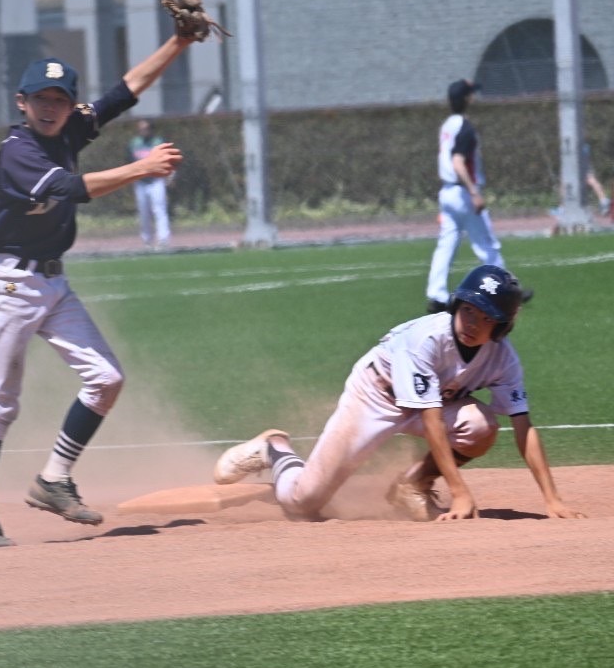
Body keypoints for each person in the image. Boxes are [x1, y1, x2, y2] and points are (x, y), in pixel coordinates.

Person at [0, 35, 193, 548]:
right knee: (0, 405)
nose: (50, 108)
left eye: (59, 100)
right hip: (10, 286)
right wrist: (141, 169)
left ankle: (53, 480)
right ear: (22, 103)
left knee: (106, 379)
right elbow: (70, 189)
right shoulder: (18, 149)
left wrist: (180, 41)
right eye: (40, 99)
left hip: (51, 282)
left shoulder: (68, 130)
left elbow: (125, 91)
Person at [213, 265, 585, 523]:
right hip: (374, 396)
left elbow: (523, 426)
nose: (473, 323)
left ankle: (412, 484)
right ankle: (274, 449)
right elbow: (431, 418)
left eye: (486, 318)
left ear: (502, 326)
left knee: (482, 426)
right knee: (303, 503)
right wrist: (460, 492)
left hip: (435, 402)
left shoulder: (502, 358)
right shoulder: (425, 340)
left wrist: (551, 499)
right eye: (469, 310)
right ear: (457, 306)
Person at [424, 79, 531, 313]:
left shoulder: (447, 125)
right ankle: (510, 291)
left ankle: (436, 294)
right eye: (471, 94)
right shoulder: (465, 127)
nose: (474, 97)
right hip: (463, 192)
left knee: (447, 244)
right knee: (487, 244)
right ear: (467, 99)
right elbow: (458, 161)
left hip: (447, 191)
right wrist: (474, 192)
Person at [128, 119, 172, 248]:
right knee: (143, 211)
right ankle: (147, 240)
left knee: (159, 209)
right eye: (141, 129)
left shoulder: (158, 142)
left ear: (151, 129)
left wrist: (169, 176)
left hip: (156, 180)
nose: (143, 131)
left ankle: (163, 239)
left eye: (145, 128)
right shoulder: (134, 143)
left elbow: (168, 160)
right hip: (140, 181)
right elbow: (129, 161)